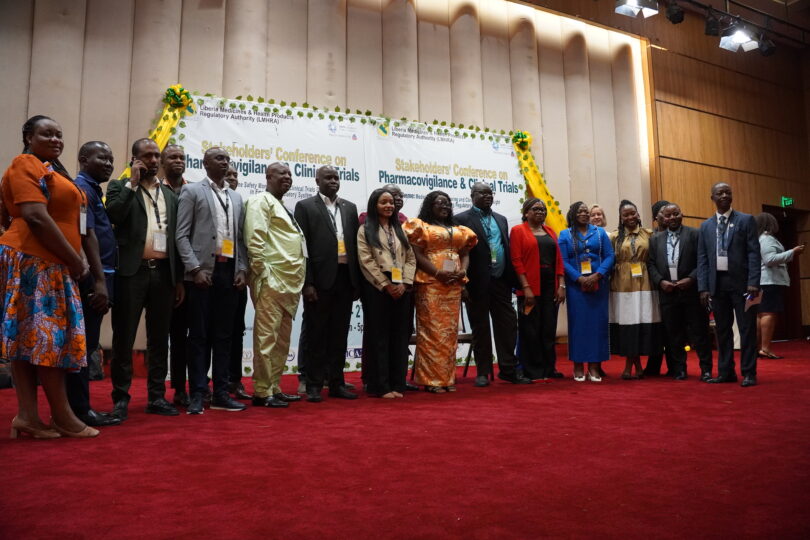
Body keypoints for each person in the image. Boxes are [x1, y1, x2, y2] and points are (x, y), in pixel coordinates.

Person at [1, 115, 96, 438]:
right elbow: (33, 216)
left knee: (28, 341)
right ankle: (62, 416)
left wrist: (76, 258)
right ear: (28, 136)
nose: (56, 140)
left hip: (50, 264)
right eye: (47, 134)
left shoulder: (53, 172)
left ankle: (27, 416)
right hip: (36, 263)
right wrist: (75, 261)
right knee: (47, 341)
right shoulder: (25, 163)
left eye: (59, 134)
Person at [106, 138, 185, 420]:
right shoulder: (119, 187)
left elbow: (176, 239)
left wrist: (178, 280)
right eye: (147, 156)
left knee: (159, 338)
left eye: (156, 156)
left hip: (163, 274)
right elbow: (114, 215)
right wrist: (132, 183)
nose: (153, 161)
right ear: (135, 159)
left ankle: (156, 397)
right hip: (132, 272)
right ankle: (120, 399)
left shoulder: (171, 195)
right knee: (124, 338)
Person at [176, 147, 248, 414]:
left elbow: (240, 239)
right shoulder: (192, 191)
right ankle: (197, 393)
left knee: (224, 336)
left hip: (228, 272)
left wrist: (241, 269)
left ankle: (220, 393)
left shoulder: (237, 197)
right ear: (205, 164)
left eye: (227, 159)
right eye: (219, 158)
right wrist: (194, 270)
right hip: (201, 274)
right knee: (198, 336)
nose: (225, 162)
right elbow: (181, 235)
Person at [65, 141, 121, 427]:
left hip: (102, 277)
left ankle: (76, 408)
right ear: (84, 159)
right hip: (91, 280)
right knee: (83, 346)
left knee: (86, 344)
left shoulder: (93, 191)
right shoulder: (82, 190)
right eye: (103, 158)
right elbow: (85, 238)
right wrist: (97, 282)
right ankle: (79, 410)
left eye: (111, 158)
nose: (109, 163)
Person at [294, 165, 360, 402]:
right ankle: (312, 385)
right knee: (316, 334)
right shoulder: (305, 207)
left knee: (339, 334)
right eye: (328, 177)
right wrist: (307, 283)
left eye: (336, 178)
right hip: (319, 281)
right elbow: (302, 248)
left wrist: (356, 283)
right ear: (317, 180)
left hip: (345, 278)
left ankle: (336, 383)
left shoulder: (350, 208)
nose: (333, 181)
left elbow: (355, 246)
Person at [455, 182, 531, 386]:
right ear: (472, 195)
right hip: (476, 283)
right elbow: (459, 253)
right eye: (483, 193)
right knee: (480, 328)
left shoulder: (501, 219)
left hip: (501, 282)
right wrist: (462, 284)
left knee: (507, 325)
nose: (488, 196)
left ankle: (508, 369)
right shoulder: (461, 219)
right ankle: (483, 372)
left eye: (490, 193)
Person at [244, 163, 305, 408]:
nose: (287, 178)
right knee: (266, 338)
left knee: (282, 340)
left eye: (290, 174)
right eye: (282, 173)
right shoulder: (261, 200)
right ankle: (261, 391)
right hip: (272, 280)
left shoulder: (283, 207)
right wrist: (262, 272)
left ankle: (274, 386)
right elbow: (255, 237)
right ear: (268, 176)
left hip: (290, 283)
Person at [404, 191, 477, 393]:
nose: (444, 206)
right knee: (432, 333)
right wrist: (437, 272)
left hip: (452, 285)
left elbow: (465, 254)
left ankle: (446, 378)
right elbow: (417, 254)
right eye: (439, 203)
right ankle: (430, 381)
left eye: (447, 203)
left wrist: (463, 270)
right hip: (430, 284)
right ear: (430, 205)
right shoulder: (421, 226)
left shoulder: (459, 229)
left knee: (448, 334)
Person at [697, 182, 761, 387]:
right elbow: (703, 259)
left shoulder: (746, 220)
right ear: (712, 198)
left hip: (744, 285)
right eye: (719, 193)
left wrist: (753, 282)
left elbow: (754, 253)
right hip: (717, 284)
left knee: (747, 328)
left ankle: (749, 373)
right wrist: (703, 287)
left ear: (731, 196)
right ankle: (726, 372)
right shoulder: (706, 226)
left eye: (727, 192)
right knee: (722, 330)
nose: (724, 195)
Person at [358, 188, 417, 398]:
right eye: (383, 202)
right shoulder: (366, 229)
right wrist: (385, 284)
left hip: (401, 286)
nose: (389, 206)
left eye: (391, 202)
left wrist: (406, 283)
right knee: (379, 337)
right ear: (375, 205)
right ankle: (380, 386)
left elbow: (410, 258)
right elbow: (366, 261)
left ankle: (397, 384)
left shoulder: (399, 228)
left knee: (400, 336)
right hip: (377, 287)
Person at [648, 203, 714, 381]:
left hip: (691, 291)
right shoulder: (655, 239)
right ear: (663, 218)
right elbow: (651, 264)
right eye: (668, 216)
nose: (672, 218)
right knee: (674, 334)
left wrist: (692, 279)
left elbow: (703, 260)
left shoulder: (695, 234)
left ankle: (706, 369)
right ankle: (679, 369)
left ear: (681, 214)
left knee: (699, 333)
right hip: (668, 292)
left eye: (675, 214)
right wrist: (661, 282)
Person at [557, 201, 614, 382]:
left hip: (598, 285)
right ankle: (578, 365)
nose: (583, 213)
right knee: (578, 326)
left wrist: (598, 275)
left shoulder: (599, 233)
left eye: (585, 211)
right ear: (573, 214)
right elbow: (563, 261)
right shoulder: (565, 234)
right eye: (579, 211)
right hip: (576, 287)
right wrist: (579, 278)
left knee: (598, 325)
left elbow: (610, 255)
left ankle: (595, 367)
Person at [510, 198, 565, 381]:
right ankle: (531, 370)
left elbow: (559, 260)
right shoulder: (518, 231)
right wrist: (526, 288)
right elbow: (516, 261)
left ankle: (549, 368)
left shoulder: (550, 231)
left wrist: (561, 285)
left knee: (548, 329)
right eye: (536, 209)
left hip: (551, 286)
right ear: (526, 212)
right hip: (530, 287)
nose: (540, 212)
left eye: (543, 209)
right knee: (530, 330)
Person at [608, 200, 662, 380]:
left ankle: (634, 364)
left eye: (633, 213)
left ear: (638, 214)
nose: (630, 217)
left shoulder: (649, 234)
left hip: (645, 284)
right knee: (627, 324)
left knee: (641, 322)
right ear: (621, 218)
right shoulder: (614, 237)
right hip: (622, 286)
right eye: (626, 215)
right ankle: (632, 364)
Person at [159, 144, 192, 407]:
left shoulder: (194, 190)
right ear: (162, 162)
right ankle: (173, 389)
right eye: (173, 157)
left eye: (182, 157)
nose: (178, 161)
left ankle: (194, 387)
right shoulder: (156, 190)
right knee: (173, 335)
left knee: (196, 334)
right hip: (165, 274)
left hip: (193, 274)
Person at [755, 212, 804, 359]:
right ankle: (765, 348)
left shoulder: (756, 238)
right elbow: (770, 259)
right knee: (768, 313)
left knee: (758, 314)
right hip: (769, 281)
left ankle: (757, 348)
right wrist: (792, 252)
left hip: (757, 281)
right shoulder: (767, 239)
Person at [225, 164, 251, 400]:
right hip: (213, 274)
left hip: (238, 276)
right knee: (211, 332)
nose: (232, 177)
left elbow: (245, 242)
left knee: (236, 331)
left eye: (235, 175)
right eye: (228, 174)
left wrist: (244, 270)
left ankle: (235, 381)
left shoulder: (241, 203)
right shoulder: (205, 196)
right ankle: (210, 382)